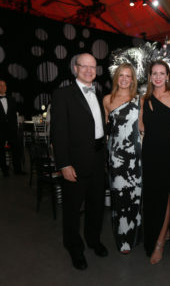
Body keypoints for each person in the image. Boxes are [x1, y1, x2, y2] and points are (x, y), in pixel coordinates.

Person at [51, 53, 108, 270]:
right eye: (84, 66)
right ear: (75, 68)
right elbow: (59, 132)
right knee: (73, 209)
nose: (88, 70)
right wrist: (64, 164)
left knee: (96, 205)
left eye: (92, 67)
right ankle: (74, 247)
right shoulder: (62, 94)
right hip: (74, 163)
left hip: (97, 158)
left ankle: (93, 240)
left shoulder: (99, 92)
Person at [140, 60, 170, 264]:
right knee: (151, 198)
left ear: (168, 76)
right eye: (154, 73)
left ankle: (160, 243)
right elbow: (140, 126)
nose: (157, 76)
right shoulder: (143, 99)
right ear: (150, 77)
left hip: (168, 155)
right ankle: (156, 234)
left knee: (165, 198)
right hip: (149, 154)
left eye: (161, 73)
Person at [103, 63, 142, 254]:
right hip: (116, 156)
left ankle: (136, 236)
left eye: (129, 76)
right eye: (121, 75)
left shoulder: (139, 100)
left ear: (133, 79)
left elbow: (144, 128)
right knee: (119, 198)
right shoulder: (107, 100)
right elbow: (105, 130)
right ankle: (123, 239)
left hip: (136, 155)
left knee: (135, 197)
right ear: (116, 77)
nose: (125, 79)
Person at [0, 80, 24, 176]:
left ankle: (17, 169)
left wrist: (15, 127)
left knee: (16, 149)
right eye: (0, 85)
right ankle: (4, 170)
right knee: (0, 150)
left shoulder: (11, 99)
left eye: (4, 85)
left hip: (11, 128)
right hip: (0, 129)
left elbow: (14, 115)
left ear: (6, 87)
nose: (2, 87)